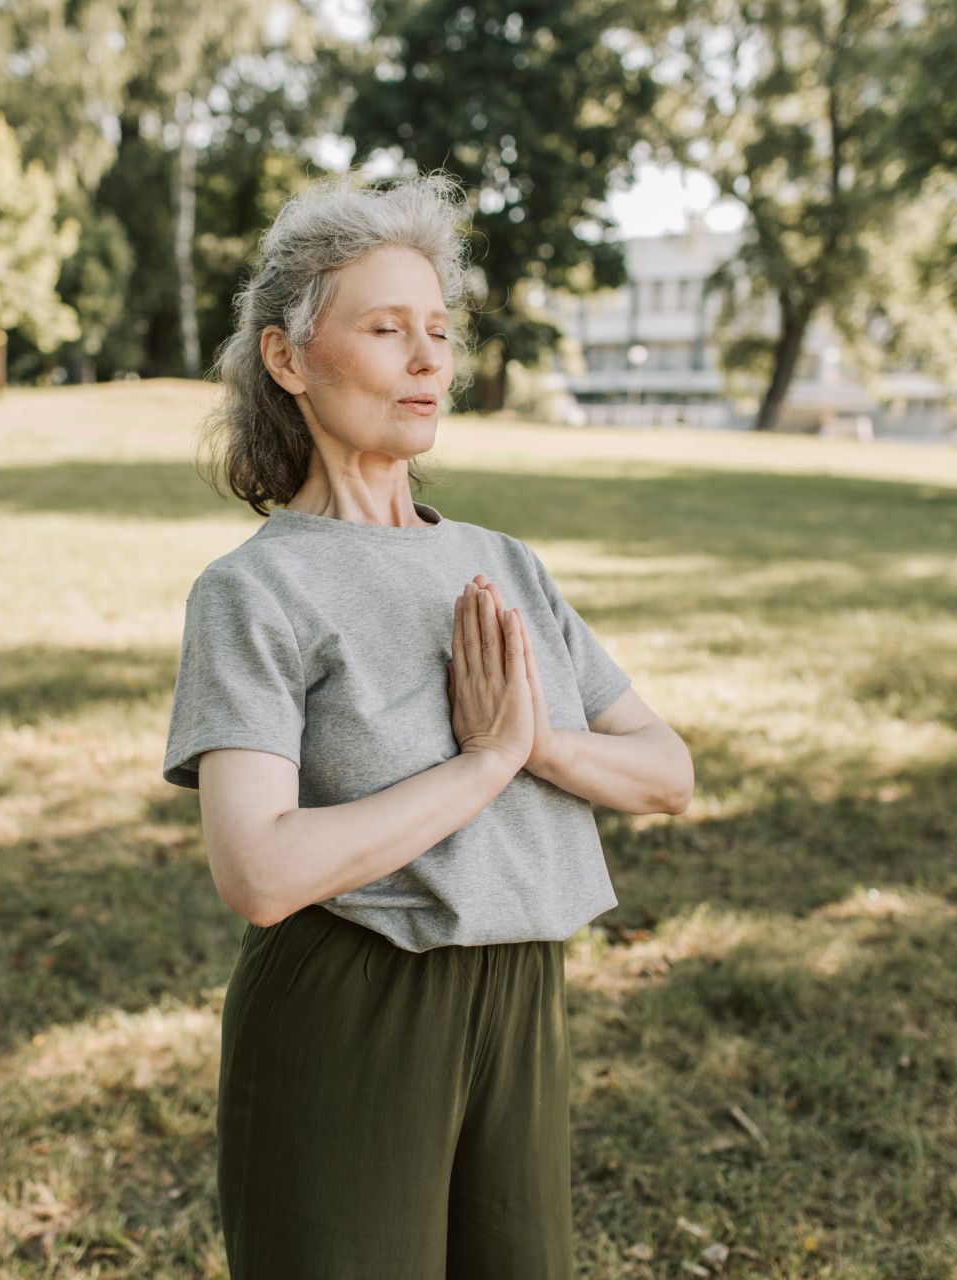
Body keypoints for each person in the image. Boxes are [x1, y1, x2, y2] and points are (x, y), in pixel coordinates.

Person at [161, 171, 694, 1279]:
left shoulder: (505, 563)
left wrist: (543, 743)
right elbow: (259, 869)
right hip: (353, 1005)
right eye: (387, 328)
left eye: (440, 331)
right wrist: (492, 758)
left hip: (522, 998)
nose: (427, 359)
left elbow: (667, 771)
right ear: (289, 358)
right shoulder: (256, 591)